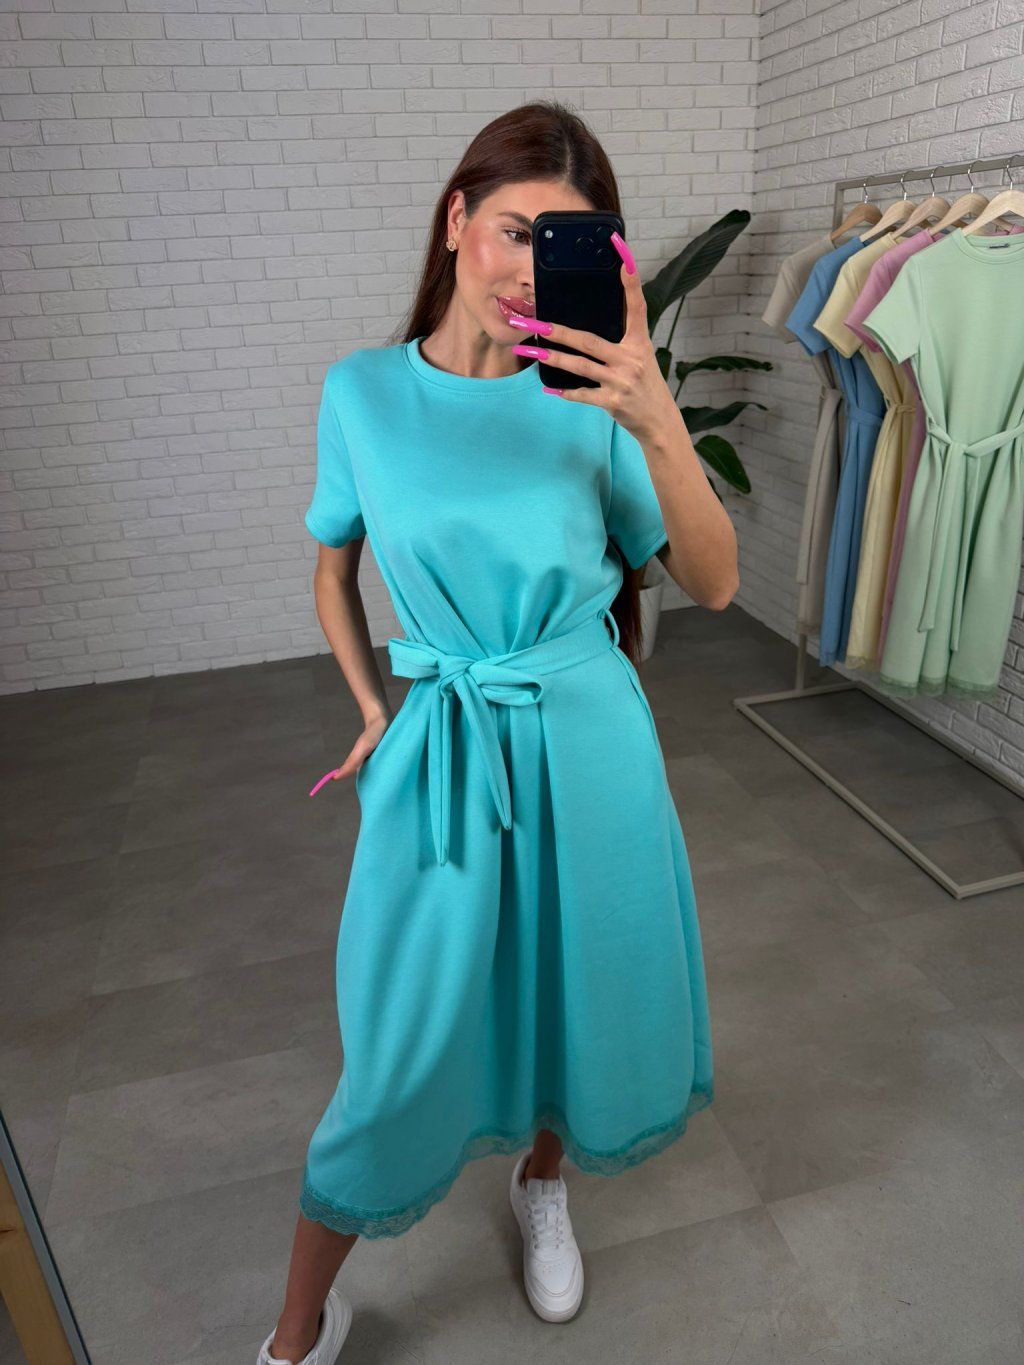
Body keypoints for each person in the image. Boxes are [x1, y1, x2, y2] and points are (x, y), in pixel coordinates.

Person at [258, 100, 736, 1365]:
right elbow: (332, 567)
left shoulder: (596, 398)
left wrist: (652, 413)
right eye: (516, 230)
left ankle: (542, 1182)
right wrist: (373, 707)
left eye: (564, 244)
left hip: (588, 738)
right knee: (397, 1046)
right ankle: (296, 1329)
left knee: (575, 982)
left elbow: (714, 581)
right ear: (456, 217)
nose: (530, 268)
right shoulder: (362, 393)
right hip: (444, 744)